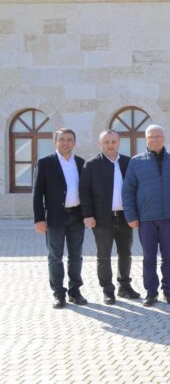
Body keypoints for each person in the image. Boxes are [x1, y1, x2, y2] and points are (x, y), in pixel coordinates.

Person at [122, 124, 170, 307]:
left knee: (169, 256)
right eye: (151, 137)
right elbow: (128, 190)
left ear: (164, 138)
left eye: (158, 136)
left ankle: (168, 290)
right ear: (146, 139)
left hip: (169, 217)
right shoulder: (136, 162)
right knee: (149, 257)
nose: (155, 140)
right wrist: (131, 215)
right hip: (146, 218)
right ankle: (151, 292)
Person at [80, 129, 141, 305]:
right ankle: (108, 290)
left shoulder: (128, 162)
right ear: (100, 144)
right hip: (101, 218)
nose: (110, 145)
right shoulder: (91, 165)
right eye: (106, 142)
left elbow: (136, 189)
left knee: (126, 253)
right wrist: (88, 215)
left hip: (124, 217)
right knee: (103, 255)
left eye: (113, 142)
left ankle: (124, 286)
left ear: (119, 142)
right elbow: (84, 191)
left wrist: (135, 214)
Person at [33, 128, 87, 309]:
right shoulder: (45, 163)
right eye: (62, 139)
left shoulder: (80, 163)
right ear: (55, 142)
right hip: (55, 218)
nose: (66, 143)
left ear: (74, 142)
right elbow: (37, 194)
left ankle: (75, 291)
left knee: (76, 256)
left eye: (69, 139)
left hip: (76, 216)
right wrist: (39, 219)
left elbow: (86, 192)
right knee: (55, 256)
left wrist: (88, 214)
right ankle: (58, 293)